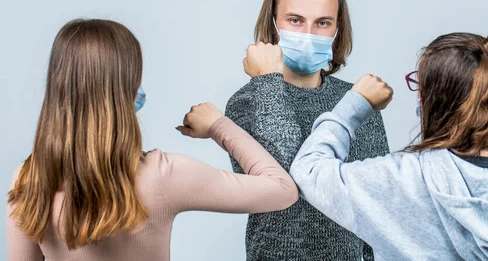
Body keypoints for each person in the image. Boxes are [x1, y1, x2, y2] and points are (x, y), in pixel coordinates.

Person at [6, 19, 298, 261]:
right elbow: (282, 189)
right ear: (124, 93)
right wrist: (218, 125)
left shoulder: (28, 179)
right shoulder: (163, 174)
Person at [282, 30, 488, 260]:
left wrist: (356, 104)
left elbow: (308, 170)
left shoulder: (404, 178)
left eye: (419, 84)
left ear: (431, 99)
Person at [225, 0, 388, 261]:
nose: (309, 33)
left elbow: (375, 205)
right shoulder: (249, 101)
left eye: (323, 22)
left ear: (338, 28)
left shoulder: (357, 99)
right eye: (296, 20)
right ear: (273, 23)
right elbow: (290, 184)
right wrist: (267, 82)